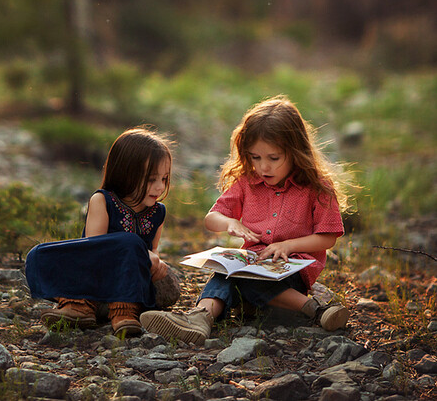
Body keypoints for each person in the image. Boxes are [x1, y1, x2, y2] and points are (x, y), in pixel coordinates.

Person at [141, 96, 350, 345]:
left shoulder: (316, 187)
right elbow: (212, 218)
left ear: (296, 152)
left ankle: (316, 310)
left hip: (291, 268)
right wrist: (230, 223)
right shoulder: (247, 182)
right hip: (253, 264)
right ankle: (199, 319)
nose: (264, 167)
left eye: (274, 158)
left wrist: (287, 245)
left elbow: (328, 237)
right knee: (224, 275)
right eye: (255, 157)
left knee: (246, 279)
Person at [25, 126, 179, 336]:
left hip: (130, 278)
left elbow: (152, 253)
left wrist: (153, 261)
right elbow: (94, 250)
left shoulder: (157, 212)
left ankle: (123, 311)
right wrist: (139, 251)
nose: (160, 187)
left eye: (164, 179)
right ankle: (79, 305)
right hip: (97, 270)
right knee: (37, 255)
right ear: (125, 174)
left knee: (133, 245)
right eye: (152, 179)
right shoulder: (103, 201)